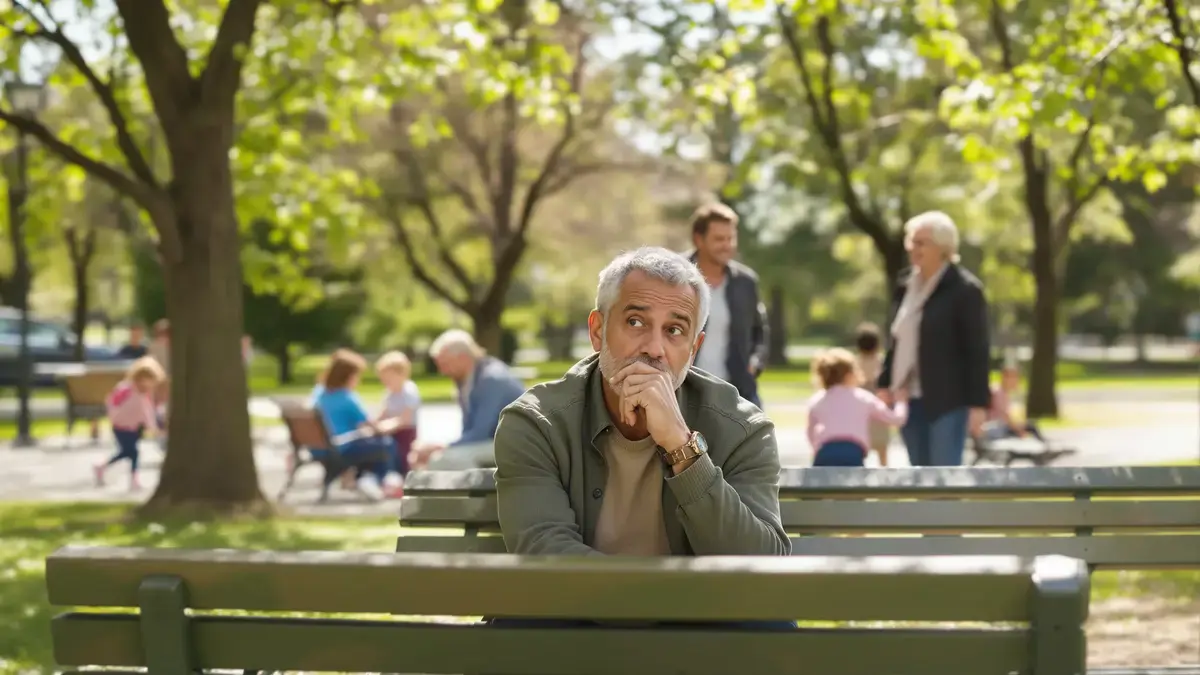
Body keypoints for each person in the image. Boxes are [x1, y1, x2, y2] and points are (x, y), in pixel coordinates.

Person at [490, 246, 791, 630]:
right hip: (576, 621)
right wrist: (658, 604)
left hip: (697, 630)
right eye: (635, 322)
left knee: (769, 626)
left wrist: (682, 447)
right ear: (598, 331)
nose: (654, 349)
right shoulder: (536, 422)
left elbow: (762, 567)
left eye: (675, 330)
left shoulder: (743, 427)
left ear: (694, 349)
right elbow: (545, 554)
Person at [877, 211, 991, 466]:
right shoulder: (905, 286)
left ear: (943, 248)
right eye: (911, 241)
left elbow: (977, 351)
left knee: (943, 476)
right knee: (918, 474)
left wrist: (978, 405)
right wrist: (884, 383)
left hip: (947, 400)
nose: (913, 248)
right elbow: (896, 339)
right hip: (907, 398)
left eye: (921, 243)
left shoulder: (965, 290)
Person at [686, 203, 770, 407]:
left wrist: (755, 364)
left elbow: (759, 331)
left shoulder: (746, 282)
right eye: (719, 239)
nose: (727, 245)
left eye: (730, 238)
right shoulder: (673, 275)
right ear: (698, 239)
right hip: (684, 390)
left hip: (737, 391)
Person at [412, 329, 525, 470]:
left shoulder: (491, 379)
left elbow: (480, 432)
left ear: (463, 358)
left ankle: (479, 484)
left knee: (443, 460)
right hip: (494, 442)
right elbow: (468, 431)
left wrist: (440, 447)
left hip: (517, 446)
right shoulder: (466, 380)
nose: (442, 371)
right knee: (438, 458)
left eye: (445, 364)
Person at [312, 349, 402, 500]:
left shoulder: (319, 393)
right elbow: (371, 425)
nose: (359, 380)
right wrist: (394, 423)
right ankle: (375, 480)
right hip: (339, 448)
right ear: (347, 376)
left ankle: (365, 479)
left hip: (318, 448)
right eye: (357, 375)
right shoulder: (347, 398)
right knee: (386, 444)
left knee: (369, 444)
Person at [806, 348, 908, 467]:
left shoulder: (818, 399)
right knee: (853, 478)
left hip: (825, 451)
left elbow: (810, 432)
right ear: (849, 375)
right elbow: (896, 419)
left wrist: (816, 448)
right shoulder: (863, 397)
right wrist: (901, 401)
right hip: (852, 451)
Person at [93, 357, 165, 490]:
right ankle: (106, 468)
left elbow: (147, 411)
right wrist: (115, 417)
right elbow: (112, 402)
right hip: (120, 426)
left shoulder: (144, 394)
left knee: (131, 453)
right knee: (130, 451)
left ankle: (130, 478)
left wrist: (152, 427)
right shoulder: (126, 389)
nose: (150, 384)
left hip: (133, 427)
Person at [375, 350, 421, 479]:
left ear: (402, 374)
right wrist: (375, 424)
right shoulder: (389, 393)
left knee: (403, 458)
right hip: (391, 431)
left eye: (388, 378)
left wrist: (386, 426)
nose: (385, 382)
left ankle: (405, 475)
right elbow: (383, 413)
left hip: (406, 431)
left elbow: (405, 419)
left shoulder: (409, 391)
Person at [853, 322, 892, 466]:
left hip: (860, 413)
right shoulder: (882, 362)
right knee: (882, 448)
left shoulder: (855, 363)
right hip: (879, 409)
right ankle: (884, 470)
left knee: (861, 446)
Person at [981, 365, 1046, 442]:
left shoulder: (1003, 392)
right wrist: (1019, 430)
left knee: (1029, 425)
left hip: (1000, 425)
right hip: (996, 427)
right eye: (1014, 378)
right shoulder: (998, 392)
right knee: (1030, 427)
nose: (1016, 382)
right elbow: (1003, 416)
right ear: (1005, 377)